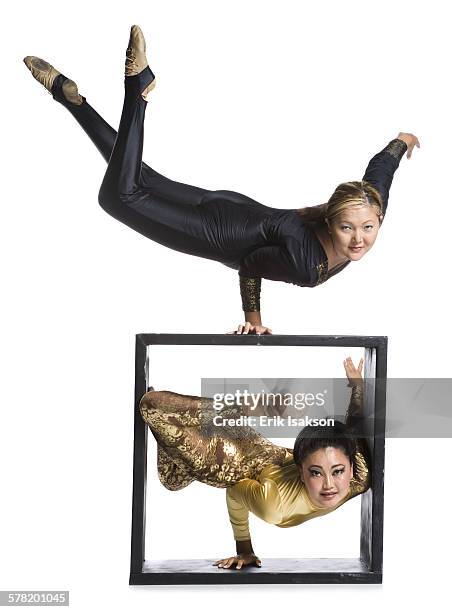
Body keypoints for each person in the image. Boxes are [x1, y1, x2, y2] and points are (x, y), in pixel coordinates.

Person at [23, 26, 420, 332]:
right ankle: (136, 89)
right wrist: (254, 318)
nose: (357, 238)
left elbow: (379, 172)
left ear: (378, 218)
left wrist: (401, 143)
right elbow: (250, 264)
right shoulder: (305, 264)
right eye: (348, 228)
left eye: (367, 228)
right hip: (212, 232)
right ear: (331, 221)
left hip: (232, 206)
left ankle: (68, 96)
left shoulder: (369, 201)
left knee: (136, 175)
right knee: (118, 198)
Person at [139, 356, 369, 570]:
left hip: (253, 446)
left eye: (338, 471)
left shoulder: (359, 479)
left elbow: (351, 434)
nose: (330, 485)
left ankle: (174, 426)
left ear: (350, 468)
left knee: (171, 480)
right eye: (316, 473)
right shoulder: (274, 506)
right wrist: (244, 549)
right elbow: (234, 492)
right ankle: (261, 407)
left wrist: (357, 388)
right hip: (225, 460)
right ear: (301, 472)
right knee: (151, 406)